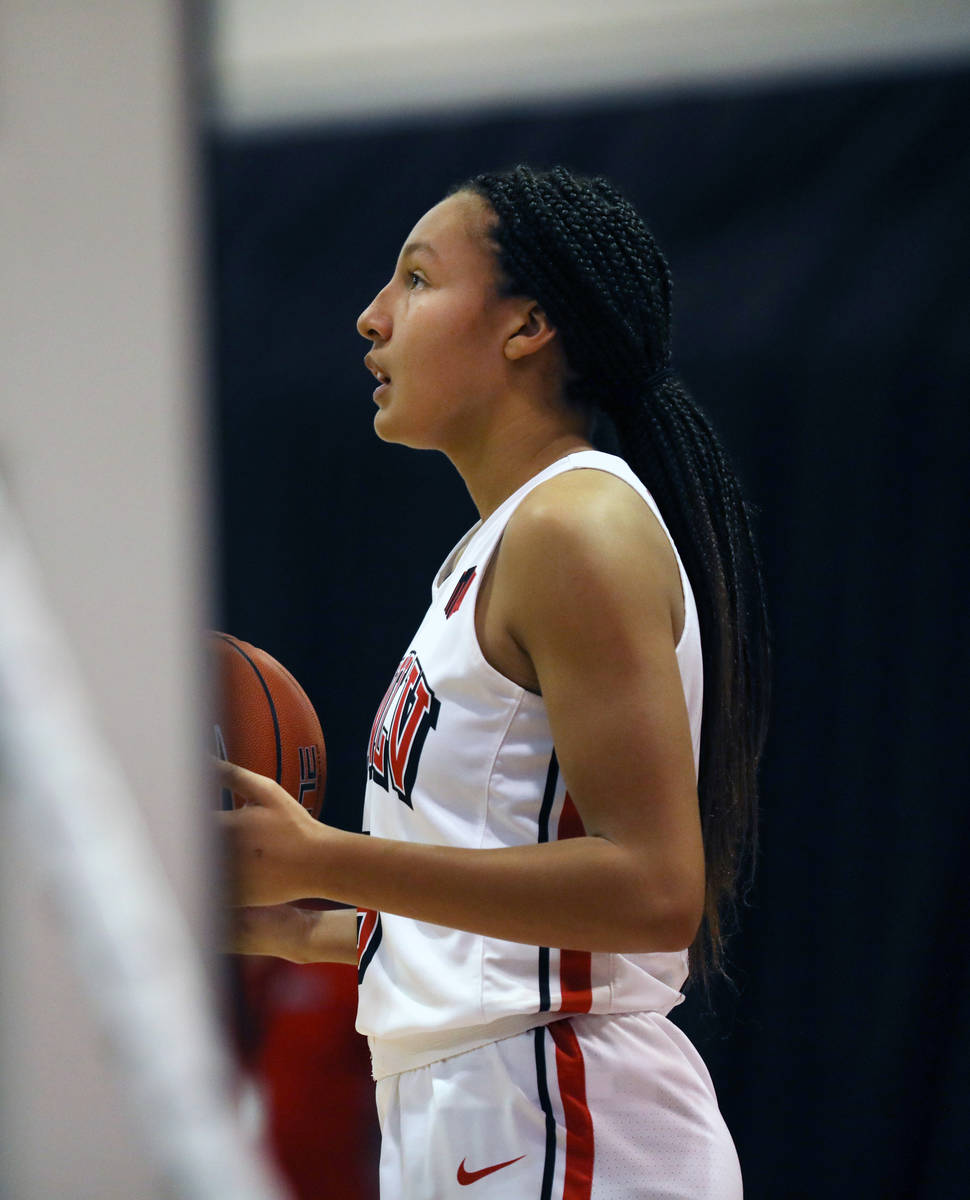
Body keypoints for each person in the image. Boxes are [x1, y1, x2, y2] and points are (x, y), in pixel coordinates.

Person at [221, 164, 770, 1199]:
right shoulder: (494, 551)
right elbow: (504, 938)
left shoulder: (575, 525)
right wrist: (286, 923)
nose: (370, 318)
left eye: (417, 280)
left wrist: (327, 855)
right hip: (479, 1102)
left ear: (527, 326)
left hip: (560, 1109)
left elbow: (652, 890)